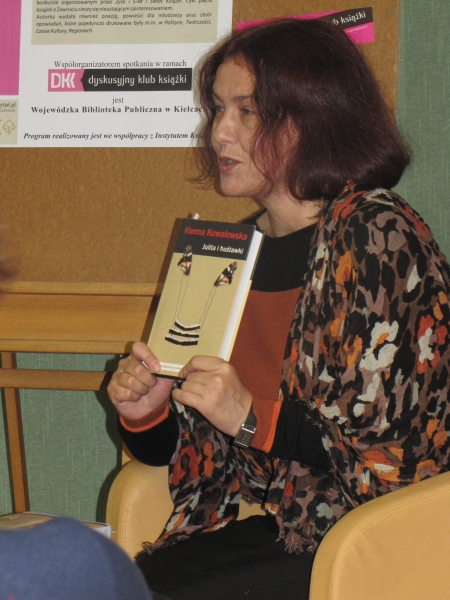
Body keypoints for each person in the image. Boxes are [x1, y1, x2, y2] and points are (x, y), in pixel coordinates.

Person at [107, 18, 450, 600]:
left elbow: (385, 452)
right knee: (111, 584)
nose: (219, 133)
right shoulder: (227, 253)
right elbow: (195, 456)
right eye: (218, 109)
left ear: (313, 119)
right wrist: (148, 413)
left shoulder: (378, 235)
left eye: (247, 112)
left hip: (380, 533)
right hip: (288, 524)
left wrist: (249, 416)